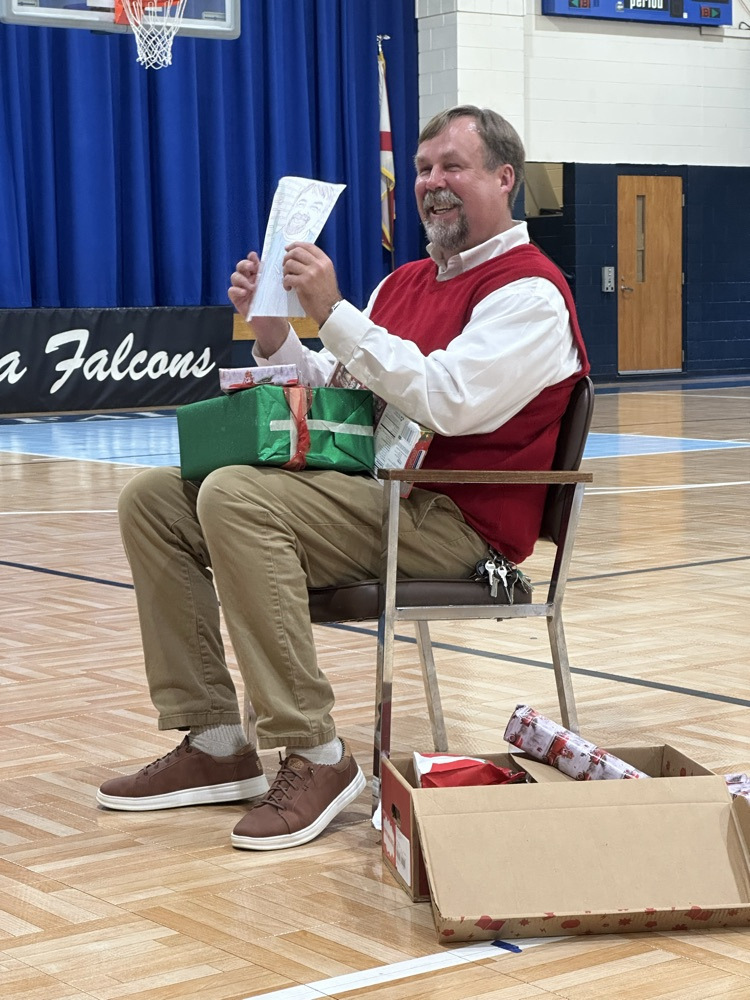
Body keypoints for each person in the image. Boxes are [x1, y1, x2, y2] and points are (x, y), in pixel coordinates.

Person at [97, 105, 589, 851]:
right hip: (383, 498)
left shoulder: (530, 294)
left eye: (452, 167)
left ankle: (318, 753)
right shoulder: (405, 283)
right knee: (157, 500)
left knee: (234, 494)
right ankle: (217, 739)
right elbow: (343, 396)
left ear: (503, 178)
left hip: (461, 531)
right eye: (423, 170)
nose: (432, 184)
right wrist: (277, 335)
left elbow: (446, 402)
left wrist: (333, 312)